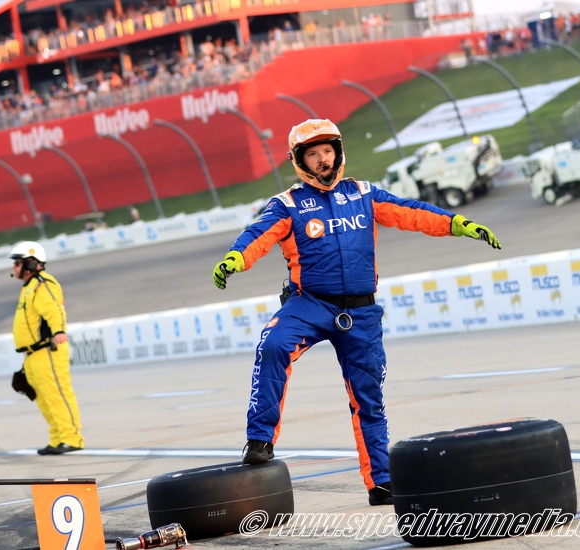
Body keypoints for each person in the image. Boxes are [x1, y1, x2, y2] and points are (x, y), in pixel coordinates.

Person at [211, 119, 501, 506]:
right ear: (300, 161)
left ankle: (380, 482)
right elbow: (257, 235)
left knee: (369, 397)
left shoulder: (364, 193)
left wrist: (456, 223)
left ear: (338, 152)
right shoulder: (289, 203)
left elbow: (410, 212)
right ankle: (260, 440)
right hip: (308, 304)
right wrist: (236, 258)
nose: (322, 160)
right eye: (312, 154)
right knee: (273, 344)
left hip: (361, 314)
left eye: (327, 151)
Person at [10, 241, 85, 455]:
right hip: (32, 354)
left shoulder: (43, 283)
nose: (14, 267)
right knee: (42, 397)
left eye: (17, 262)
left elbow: (55, 310)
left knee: (57, 393)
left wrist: (60, 330)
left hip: (48, 350)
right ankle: (57, 438)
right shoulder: (29, 286)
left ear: (32, 263)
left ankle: (72, 438)